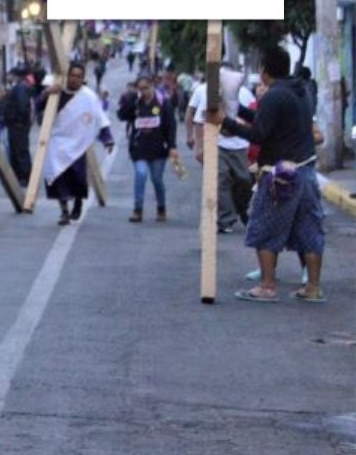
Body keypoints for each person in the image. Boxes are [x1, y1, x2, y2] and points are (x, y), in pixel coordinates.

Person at [209, 46, 325, 303]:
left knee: (264, 227)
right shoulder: (301, 91)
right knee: (310, 231)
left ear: (263, 70)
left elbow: (259, 134)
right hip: (305, 170)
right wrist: (236, 111)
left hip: (280, 174)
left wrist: (224, 122)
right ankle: (313, 289)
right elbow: (267, 121)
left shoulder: (274, 95)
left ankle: (267, 286)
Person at [41, 63, 114, 225]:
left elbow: (99, 118)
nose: (74, 79)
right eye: (72, 75)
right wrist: (46, 94)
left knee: (78, 178)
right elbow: (39, 107)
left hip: (78, 143)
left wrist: (107, 139)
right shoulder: (56, 93)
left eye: (78, 76)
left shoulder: (88, 96)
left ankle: (78, 201)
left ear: (83, 78)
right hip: (58, 142)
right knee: (57, 177)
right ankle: (64, 211)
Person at [189, 67, 256, 233]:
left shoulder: (245, 94)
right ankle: (226, 218)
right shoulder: (210, 96)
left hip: (240, 145)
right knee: (221, 179)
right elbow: (199, 120)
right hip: (217, 145)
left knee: (245, 180)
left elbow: (254, 119)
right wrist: (199, 146)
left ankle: (241, 207)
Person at [117, 75, 179, 222]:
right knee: (141, 174)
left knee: (157, 179)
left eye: (146, 88)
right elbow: (122, 116)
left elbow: (171, 125)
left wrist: (172, 146)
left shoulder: (162, 102)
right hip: (139, 149)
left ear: (152, 86)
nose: (143, 92)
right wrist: (129, 101)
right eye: (140, 89)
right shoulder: (136, 103)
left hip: (158, 149)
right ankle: (138, 209)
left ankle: (161, 207)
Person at [0, 66, 34, 184]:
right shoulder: (19, 87)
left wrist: (15, 118)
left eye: (10, 74)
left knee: (20, 151)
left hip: (18, 125)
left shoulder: (20, 88)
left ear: (15, 76)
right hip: (16, 124)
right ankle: (19, 176)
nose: (8, 77)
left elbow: (22, 105)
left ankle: (25, 176)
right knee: (15, 150)